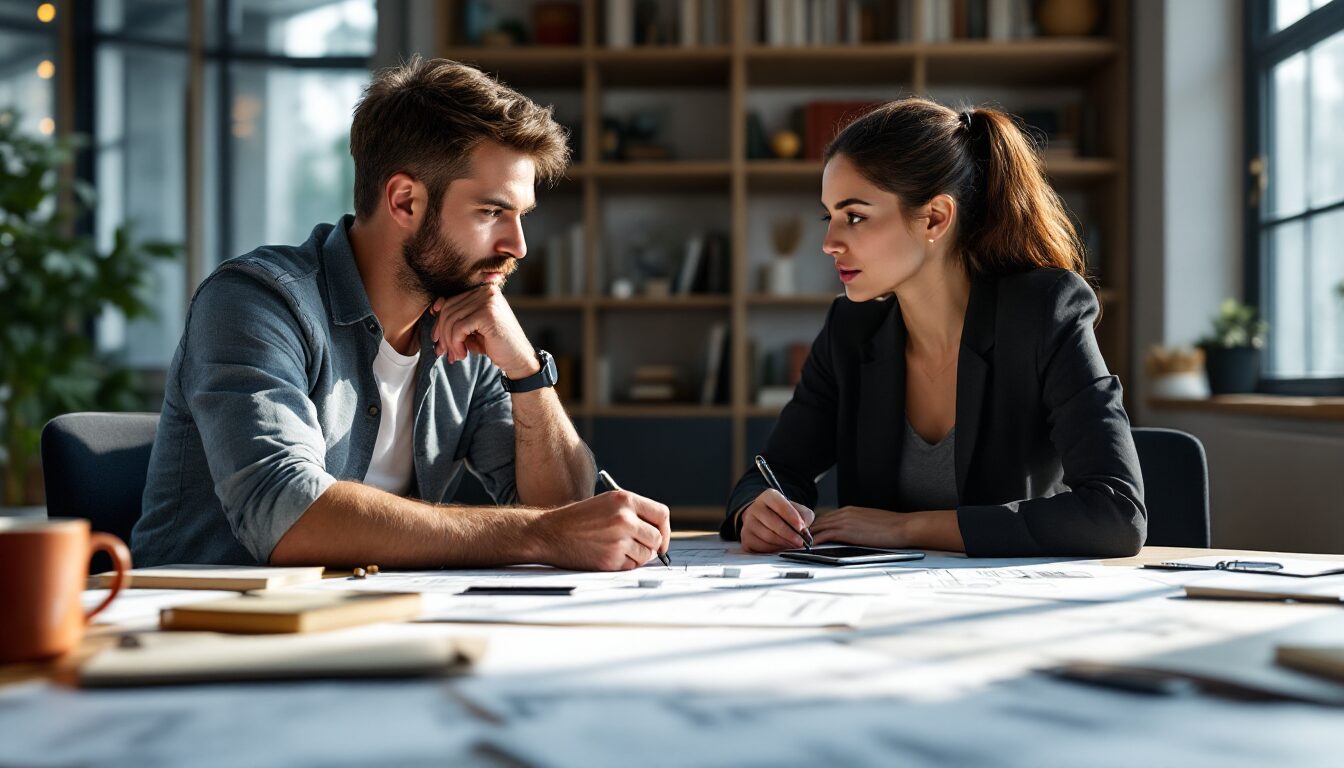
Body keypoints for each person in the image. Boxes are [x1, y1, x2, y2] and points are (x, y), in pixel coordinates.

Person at [133, 57, 669, 570]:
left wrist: (527, 372)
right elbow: (286, 510)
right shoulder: (256, 302)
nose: (519, 246)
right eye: (491, 212)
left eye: (521, 216)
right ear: (405, 202)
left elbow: (566, 513)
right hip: (210, 636)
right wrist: (533, 535)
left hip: (374, 623)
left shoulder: (466, 330)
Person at [723, 98, 1145, 557]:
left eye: (855, 217)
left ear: (935, 218)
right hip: (867, 606)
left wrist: (906, 529)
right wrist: (757, 510)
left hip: (1006, 607)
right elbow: (776, 470)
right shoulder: (850, 330)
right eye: (831, 217)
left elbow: (1116, 514)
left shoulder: (1045, 312)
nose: (828, 243)